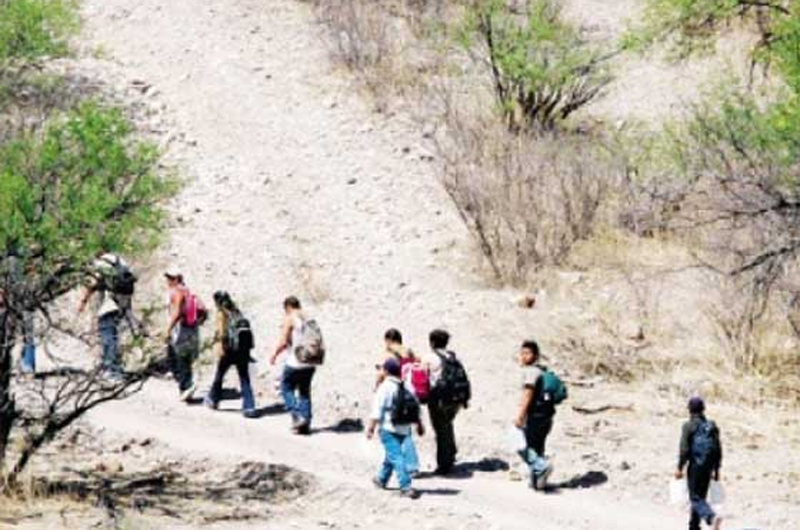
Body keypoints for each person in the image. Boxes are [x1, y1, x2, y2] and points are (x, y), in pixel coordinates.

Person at [367, 358, 424, 499]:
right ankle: (381, 479)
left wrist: (370, 428)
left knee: (396, 456)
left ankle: (406, 487)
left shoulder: (385, 387)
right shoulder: (407, 386)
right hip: (404, 427)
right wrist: (419, 424)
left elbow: (376, 410)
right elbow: (416, 407)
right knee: (391, 455)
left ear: (386, 371)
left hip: (388, 428)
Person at [78, 253, 133, 379]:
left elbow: (93, 284)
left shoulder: (100, 263)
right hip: (122, 303)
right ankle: (111, 367)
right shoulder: (119, 260)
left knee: (108, 338)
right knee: (113, 336)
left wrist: (83, 301)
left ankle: (113, 371)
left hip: (108, 305)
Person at [204, 291, 257, 418]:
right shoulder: (237, 311)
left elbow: (221, 332)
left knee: (220, 375)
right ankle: (249, 407)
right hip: (243, 351)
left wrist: (220, 347)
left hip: (229, 350)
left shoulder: (222, 313)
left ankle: (213, 399)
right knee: (244, 378)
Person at [376, 328, 420, 476]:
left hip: (393, 393)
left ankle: (397, 470)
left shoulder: (388, 354)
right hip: (408, 392)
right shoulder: (408, 351)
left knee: (392, 431)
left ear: (388, 340)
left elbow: (382, 374)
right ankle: (412, 465)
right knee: (406, 429)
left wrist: (377, 388)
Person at [423, 329, 468, 475]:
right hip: (456, 399)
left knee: (440, 430)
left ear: (432, 342)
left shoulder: (429, 357)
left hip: (438, 400)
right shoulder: (454, 357)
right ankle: (451, 453)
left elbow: (423, 377)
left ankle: (444, 465)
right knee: (447, 424)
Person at [269, 296, 315, 434]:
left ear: (288, 307)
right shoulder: (308, 317)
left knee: (286, 388)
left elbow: (283, 342)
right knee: (304, 392)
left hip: (295, 361)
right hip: (311, 361)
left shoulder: (290, 318)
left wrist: (274, 354)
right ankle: (305, 425)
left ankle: (297, 417)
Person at [676, 397, 723, 530]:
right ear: (703, 409)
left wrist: (680, 467)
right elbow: (718, 449)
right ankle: (694, 526)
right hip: (708, 465)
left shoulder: (688, 426)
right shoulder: (711, 425)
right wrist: (717, 469)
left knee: (695, 498)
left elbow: (684, 449)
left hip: (696, 465)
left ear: (690, 410)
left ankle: (710, 517)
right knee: (700, 497)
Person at [514, 340, 555, 490]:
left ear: (536, 355)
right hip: (547, 416)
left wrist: (520, 415)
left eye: (528, 353)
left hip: (535, 416)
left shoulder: (531, 371)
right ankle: (537, 482)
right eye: (522, 353)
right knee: (538, 448)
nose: (524, 356)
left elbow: (528, 394)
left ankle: (541, 467)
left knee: (520, 445)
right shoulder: (543, 370)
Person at [165, 266, 204, 402]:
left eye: (170, 278)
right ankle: (186, 385)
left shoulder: (177, 292)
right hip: (192, 328)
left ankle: (185, 387)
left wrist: (168, 329)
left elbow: (176, 313)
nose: (168, 280)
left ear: (176, 279)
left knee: (180, 358)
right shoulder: (188, 291)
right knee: (185, 358)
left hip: (180, 329)